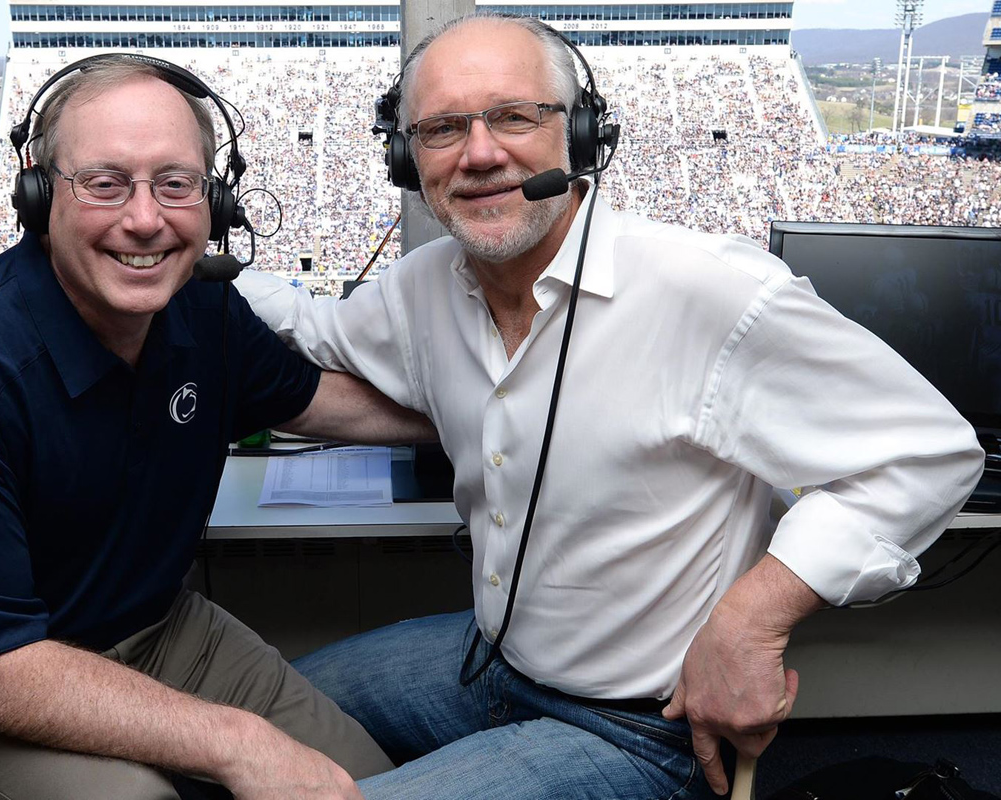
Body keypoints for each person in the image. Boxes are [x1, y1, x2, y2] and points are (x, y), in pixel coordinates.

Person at [234, 13, 985, 799]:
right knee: (252, 710)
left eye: (516, 116)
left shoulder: (714, 292)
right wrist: (170, 252)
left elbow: (928, 452)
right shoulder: (421, 288)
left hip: (642, 730)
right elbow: (312, 327)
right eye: (443, 128)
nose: (480, 153)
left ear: (582, 135)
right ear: (405, 157)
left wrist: (750, 619)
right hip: (493, 661)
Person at [0, 56, 437, 800]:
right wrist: (236, 742)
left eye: (175, 183)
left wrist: (493, 421)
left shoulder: (203, 309)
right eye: (105, 183)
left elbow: (317, 402)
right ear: (40, 193)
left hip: (154, 628)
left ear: (216, 198)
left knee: (367, 787)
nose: (145, 219)